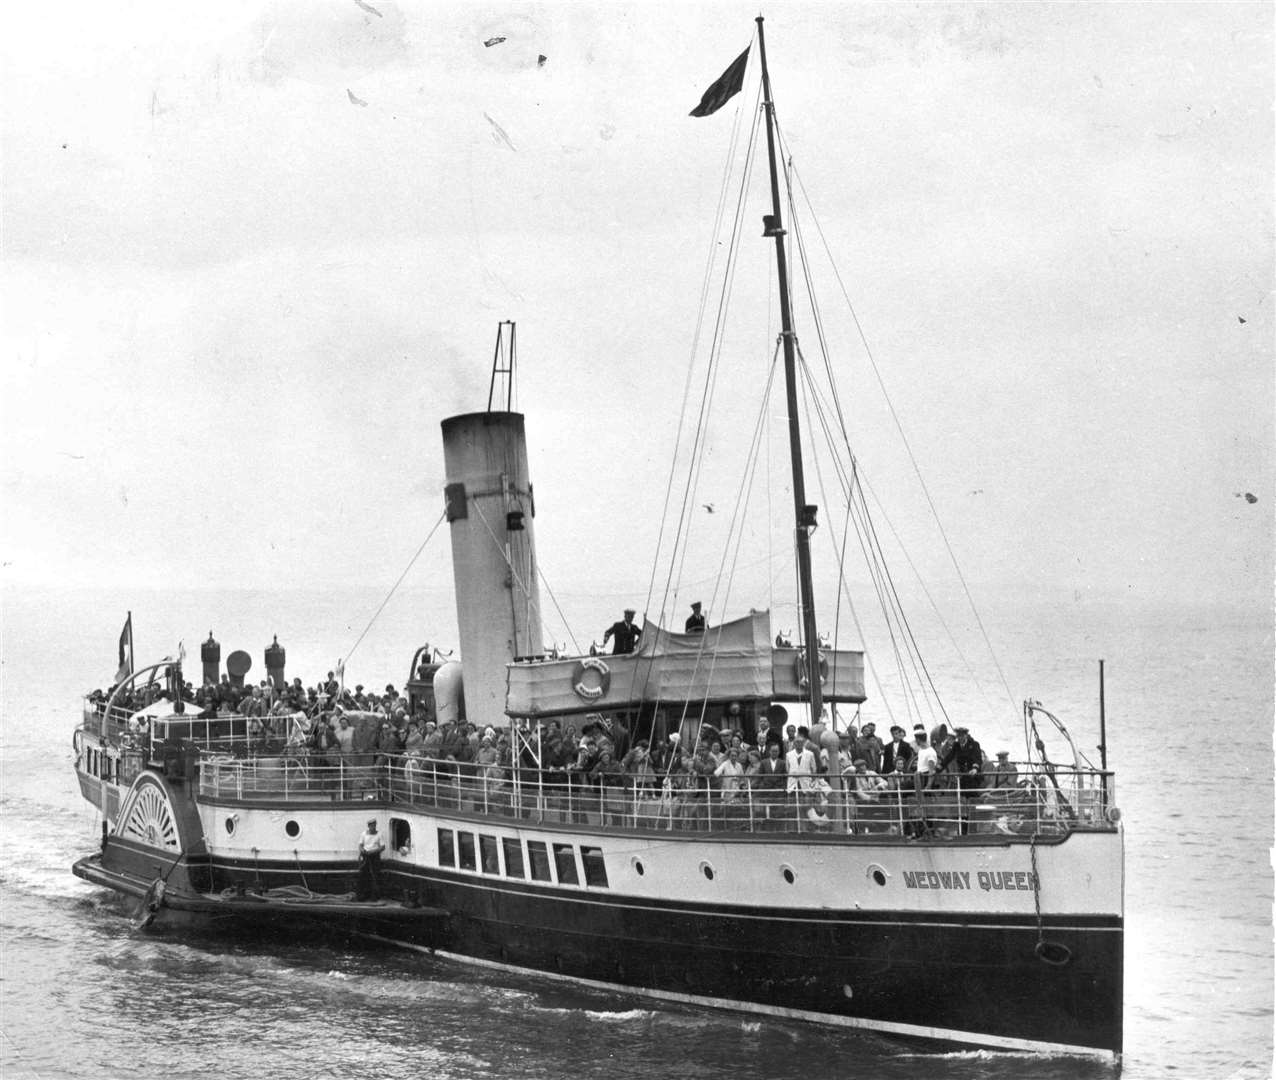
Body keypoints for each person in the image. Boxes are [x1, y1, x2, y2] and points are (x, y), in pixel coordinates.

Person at [356, 819, 385, 900]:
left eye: (375, 825)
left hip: (375, 857)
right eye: (372, 825)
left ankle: (374, 896)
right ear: (368, 826)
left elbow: (383, 847)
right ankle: (362, 895)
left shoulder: (379, 834)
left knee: (374, 876)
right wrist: (362, 850)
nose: (373, 827)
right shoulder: (363, 834)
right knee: (363, 875)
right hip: (365, 856)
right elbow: (360, 845)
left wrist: (373, 851)